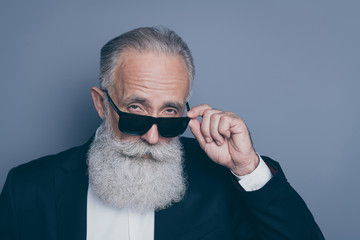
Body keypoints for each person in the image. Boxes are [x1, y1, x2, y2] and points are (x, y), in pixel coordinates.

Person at [0, 27, 325, 240]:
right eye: (136, 112)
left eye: (170, 114)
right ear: (101, 104)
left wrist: (247, 167)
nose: (153, 138)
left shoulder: (220, 181)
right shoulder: (27, 189)